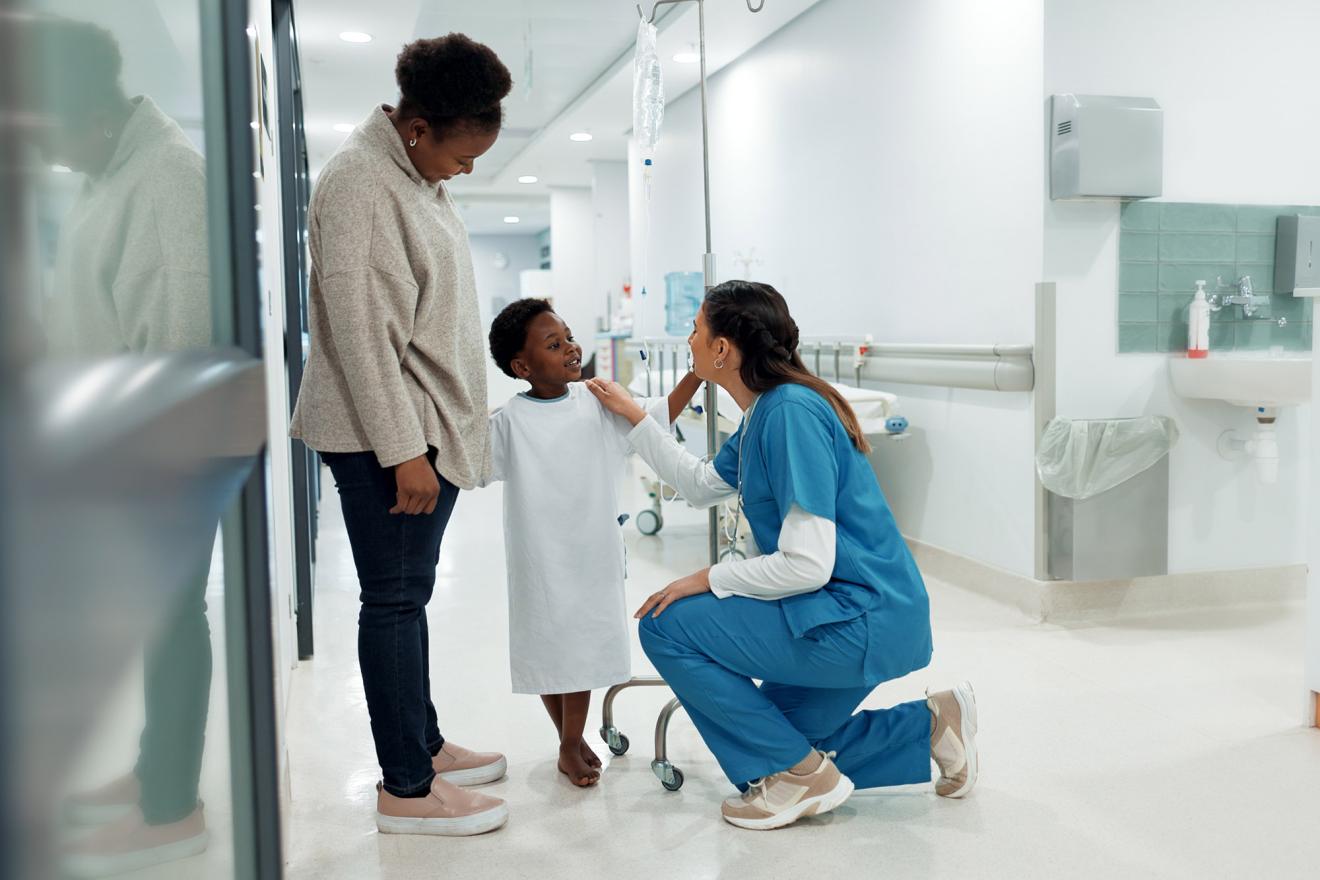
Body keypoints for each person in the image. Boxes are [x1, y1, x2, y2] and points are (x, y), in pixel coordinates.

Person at [586, 280, 979, 831]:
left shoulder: (790, 412)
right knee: (780, 742)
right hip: (849, 613)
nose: (689, 340)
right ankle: (931, 726)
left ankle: (798, 777)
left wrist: (708, 577)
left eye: (696, 330)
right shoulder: (764, 413)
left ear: (722, 349)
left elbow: (807, 564)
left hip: (858, 619)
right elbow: (699, 485)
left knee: (666, 625)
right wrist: (635, 416)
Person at [289, 34, 512, 837]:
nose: (467, 170)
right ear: (417, 130)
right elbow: (360, 335)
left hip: (418, 425)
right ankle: (407, 789)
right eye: (463, 155)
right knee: (391, 601)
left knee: (407, 597)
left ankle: (424, 744)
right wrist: (403, 452)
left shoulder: (411, 175)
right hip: (387, 436)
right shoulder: (360, 183)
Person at [21, 14, 215, 875]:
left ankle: (171, 809)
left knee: (171, 620)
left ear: (92, 115)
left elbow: (176, 343)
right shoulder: (108, 169)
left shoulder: (167, 178)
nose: (44, 152)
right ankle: (150, 774)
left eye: (48, 134)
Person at [483, 299, 701, 787]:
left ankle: (570, 741)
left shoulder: (597, 400)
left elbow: (657, 414)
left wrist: (698, 374)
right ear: (522, 367)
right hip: (538, 558)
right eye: (553, 344)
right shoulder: (509, 421)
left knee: (578, 649)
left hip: (590, 554)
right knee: (547, 650)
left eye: (569, 336)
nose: (570, 348)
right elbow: (470, 463)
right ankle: (569, 740)